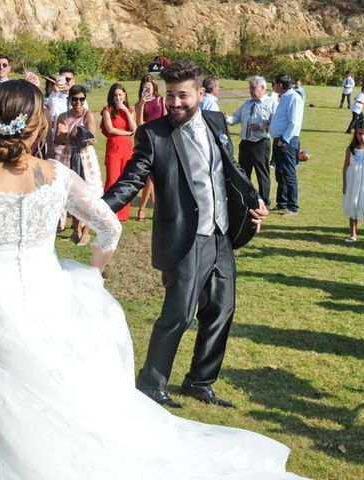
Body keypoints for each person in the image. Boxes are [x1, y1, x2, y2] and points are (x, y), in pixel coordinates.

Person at [0, 79, 306, 480]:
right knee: (48, 384)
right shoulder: (57, 175)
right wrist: (91, 273)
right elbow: (110, 227)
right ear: (39, 124)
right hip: (47, 290)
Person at [103, 59, 269, 409]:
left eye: (183, 95)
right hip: (186, 235)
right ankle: (151, 382)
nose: (175, 103)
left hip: (221, 232)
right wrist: (99, 209)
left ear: (199, 93)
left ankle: (199, 381)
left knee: (222, 310)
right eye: (170, 95)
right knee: (179, 313)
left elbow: (231, 166)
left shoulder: (215, 121)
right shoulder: (154, 133)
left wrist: (255, 199)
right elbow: (133, 179)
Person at [55, 84, 102, 244]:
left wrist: (78, 134)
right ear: (70, 100)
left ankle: (86, 231)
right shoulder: (63, 116)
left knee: (87, 195)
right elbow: (57, 141)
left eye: (81, 99)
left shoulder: (87, 115)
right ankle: (75, 230)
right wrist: (62, 134)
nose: (78, 102)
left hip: (84, 157)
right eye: (74, 99)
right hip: (69, 156)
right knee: (71, 195)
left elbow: (94, 139)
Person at [225, 75, 277, 209]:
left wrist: (261, 126)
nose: (250, 90)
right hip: (245, 143)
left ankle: (265, 202)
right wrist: (227, 118)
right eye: (250, 88)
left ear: (263, 88)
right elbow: (235, 118)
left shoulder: (271, 103)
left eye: (253, 88)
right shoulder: (247, 104)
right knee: (243, 173)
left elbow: (277, 124)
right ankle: (245, 200)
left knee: (262, 174)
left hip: (260, 143)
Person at [269, 73, 304, 217]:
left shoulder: (293, 98)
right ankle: (282, 203)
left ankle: (292, 207)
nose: (273, 86)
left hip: (286, 142)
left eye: (274, 83)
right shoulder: (284, 97)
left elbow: (294, 121)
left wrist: (285, 139)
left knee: (289, 173)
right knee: (280, 173)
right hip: (279, 140)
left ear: (281, 85)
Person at [101, 83, 136, 222]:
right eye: (115, 95)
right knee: (112, 180)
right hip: (114, 148)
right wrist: (127, 133)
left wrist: (126, 111)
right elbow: (110, 129)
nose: (118, 97)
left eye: (120, 95)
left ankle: (123, 214)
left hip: (127, 149)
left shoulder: (130, 110)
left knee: (125, 181)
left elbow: (134, 128)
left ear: (125, 95)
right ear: (111, 96)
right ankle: (108, 211)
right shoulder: (107, 110)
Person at [134, 75, 165, 221]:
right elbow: (139, 125)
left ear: (154, 86)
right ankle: (143, 208)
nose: (147, 89)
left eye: (149, 86)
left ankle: (146, 208)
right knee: (150, 176)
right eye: (144, 87)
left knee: (152, 176)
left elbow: (165, 120)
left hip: (160, 140)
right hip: (146, 140)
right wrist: (141, 104)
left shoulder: (161, 100)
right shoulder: (139, 104)